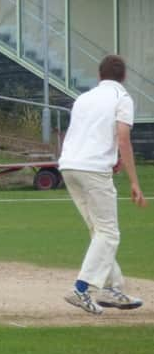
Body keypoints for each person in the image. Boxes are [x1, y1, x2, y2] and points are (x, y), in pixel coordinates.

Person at [59, 55, 147, 315]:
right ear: (124, 77)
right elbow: (123, 139)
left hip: (69, 166)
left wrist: (110, 158)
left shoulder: (83, 98)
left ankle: (111, 287)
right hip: (94, 170)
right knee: (109, 233)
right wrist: (134, 181)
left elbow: (85, 133)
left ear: (100, 75)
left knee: (98, 230)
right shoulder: (122, 98)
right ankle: (81, 288)